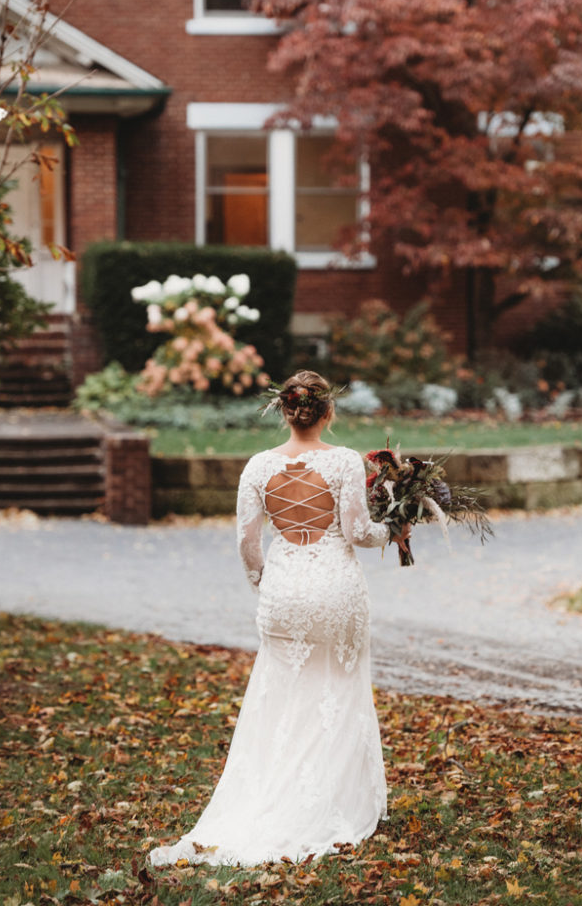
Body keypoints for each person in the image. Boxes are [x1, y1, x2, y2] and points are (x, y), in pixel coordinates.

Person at [149, 371, 410, 869]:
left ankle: (273, 793)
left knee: (282, 697)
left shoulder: (256, 467)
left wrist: (266, 585)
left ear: (284, 410)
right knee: (338, 689)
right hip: (336, 592)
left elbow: (248, 545)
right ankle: (331, 801)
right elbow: (358, 532)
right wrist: (396, 528)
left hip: (284, 594)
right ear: (327, 413)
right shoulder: (343, 462)